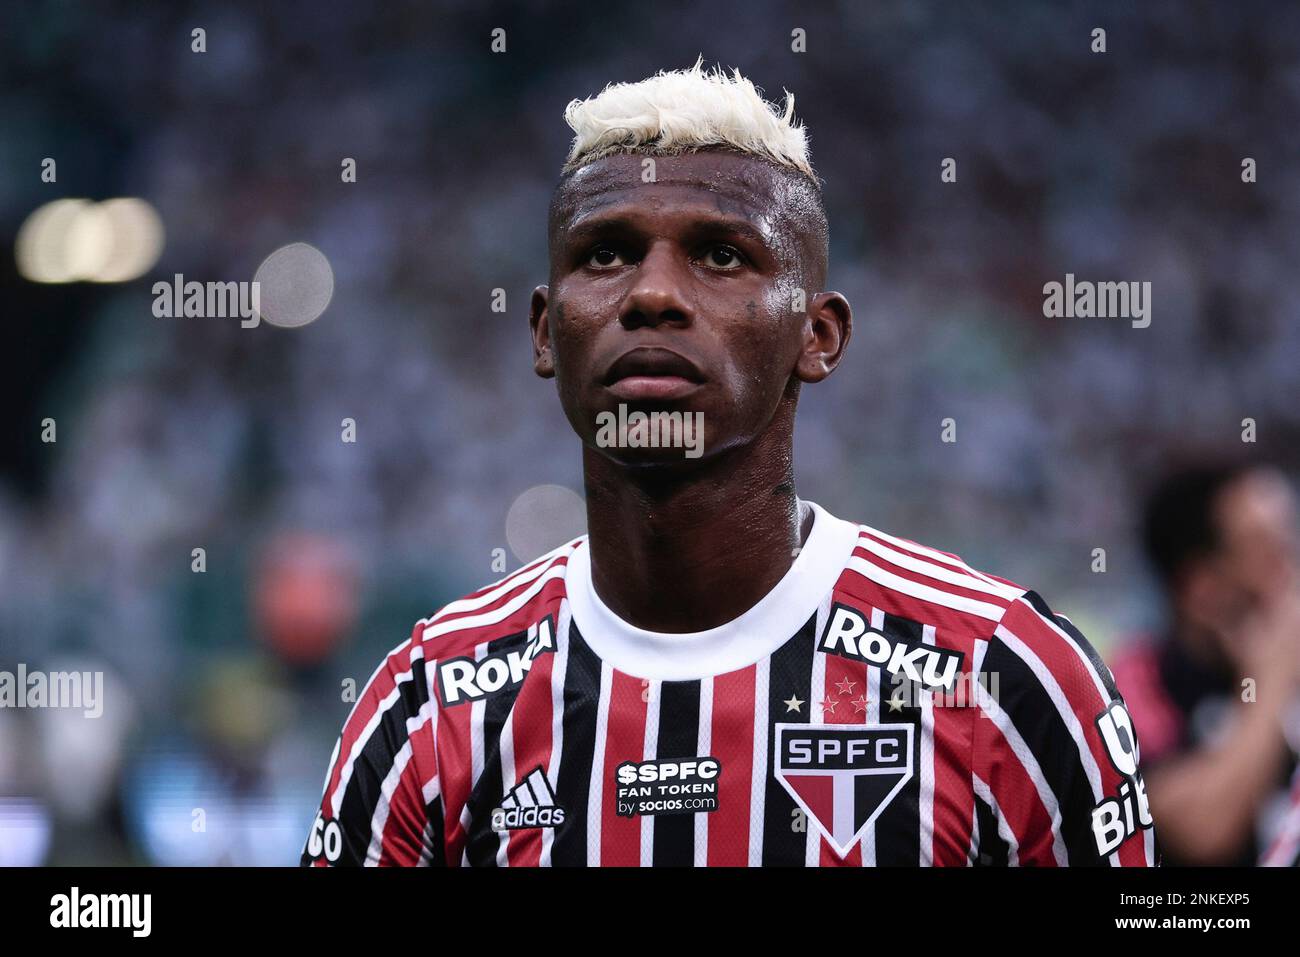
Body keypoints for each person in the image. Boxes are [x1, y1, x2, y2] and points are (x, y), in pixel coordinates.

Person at [301, 62, 1155, 867]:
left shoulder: (1000, 676)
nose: (653, 294)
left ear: (817, 336)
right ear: (543, 331)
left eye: (720, 255)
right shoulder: (432, 707)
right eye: (605, 253)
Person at [1111, 462, 1300, 865]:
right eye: (1267, 552)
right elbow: (1201, 831)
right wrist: (1270, 681)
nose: (1289, 575)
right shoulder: (1138, 681)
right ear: (1201, 587)